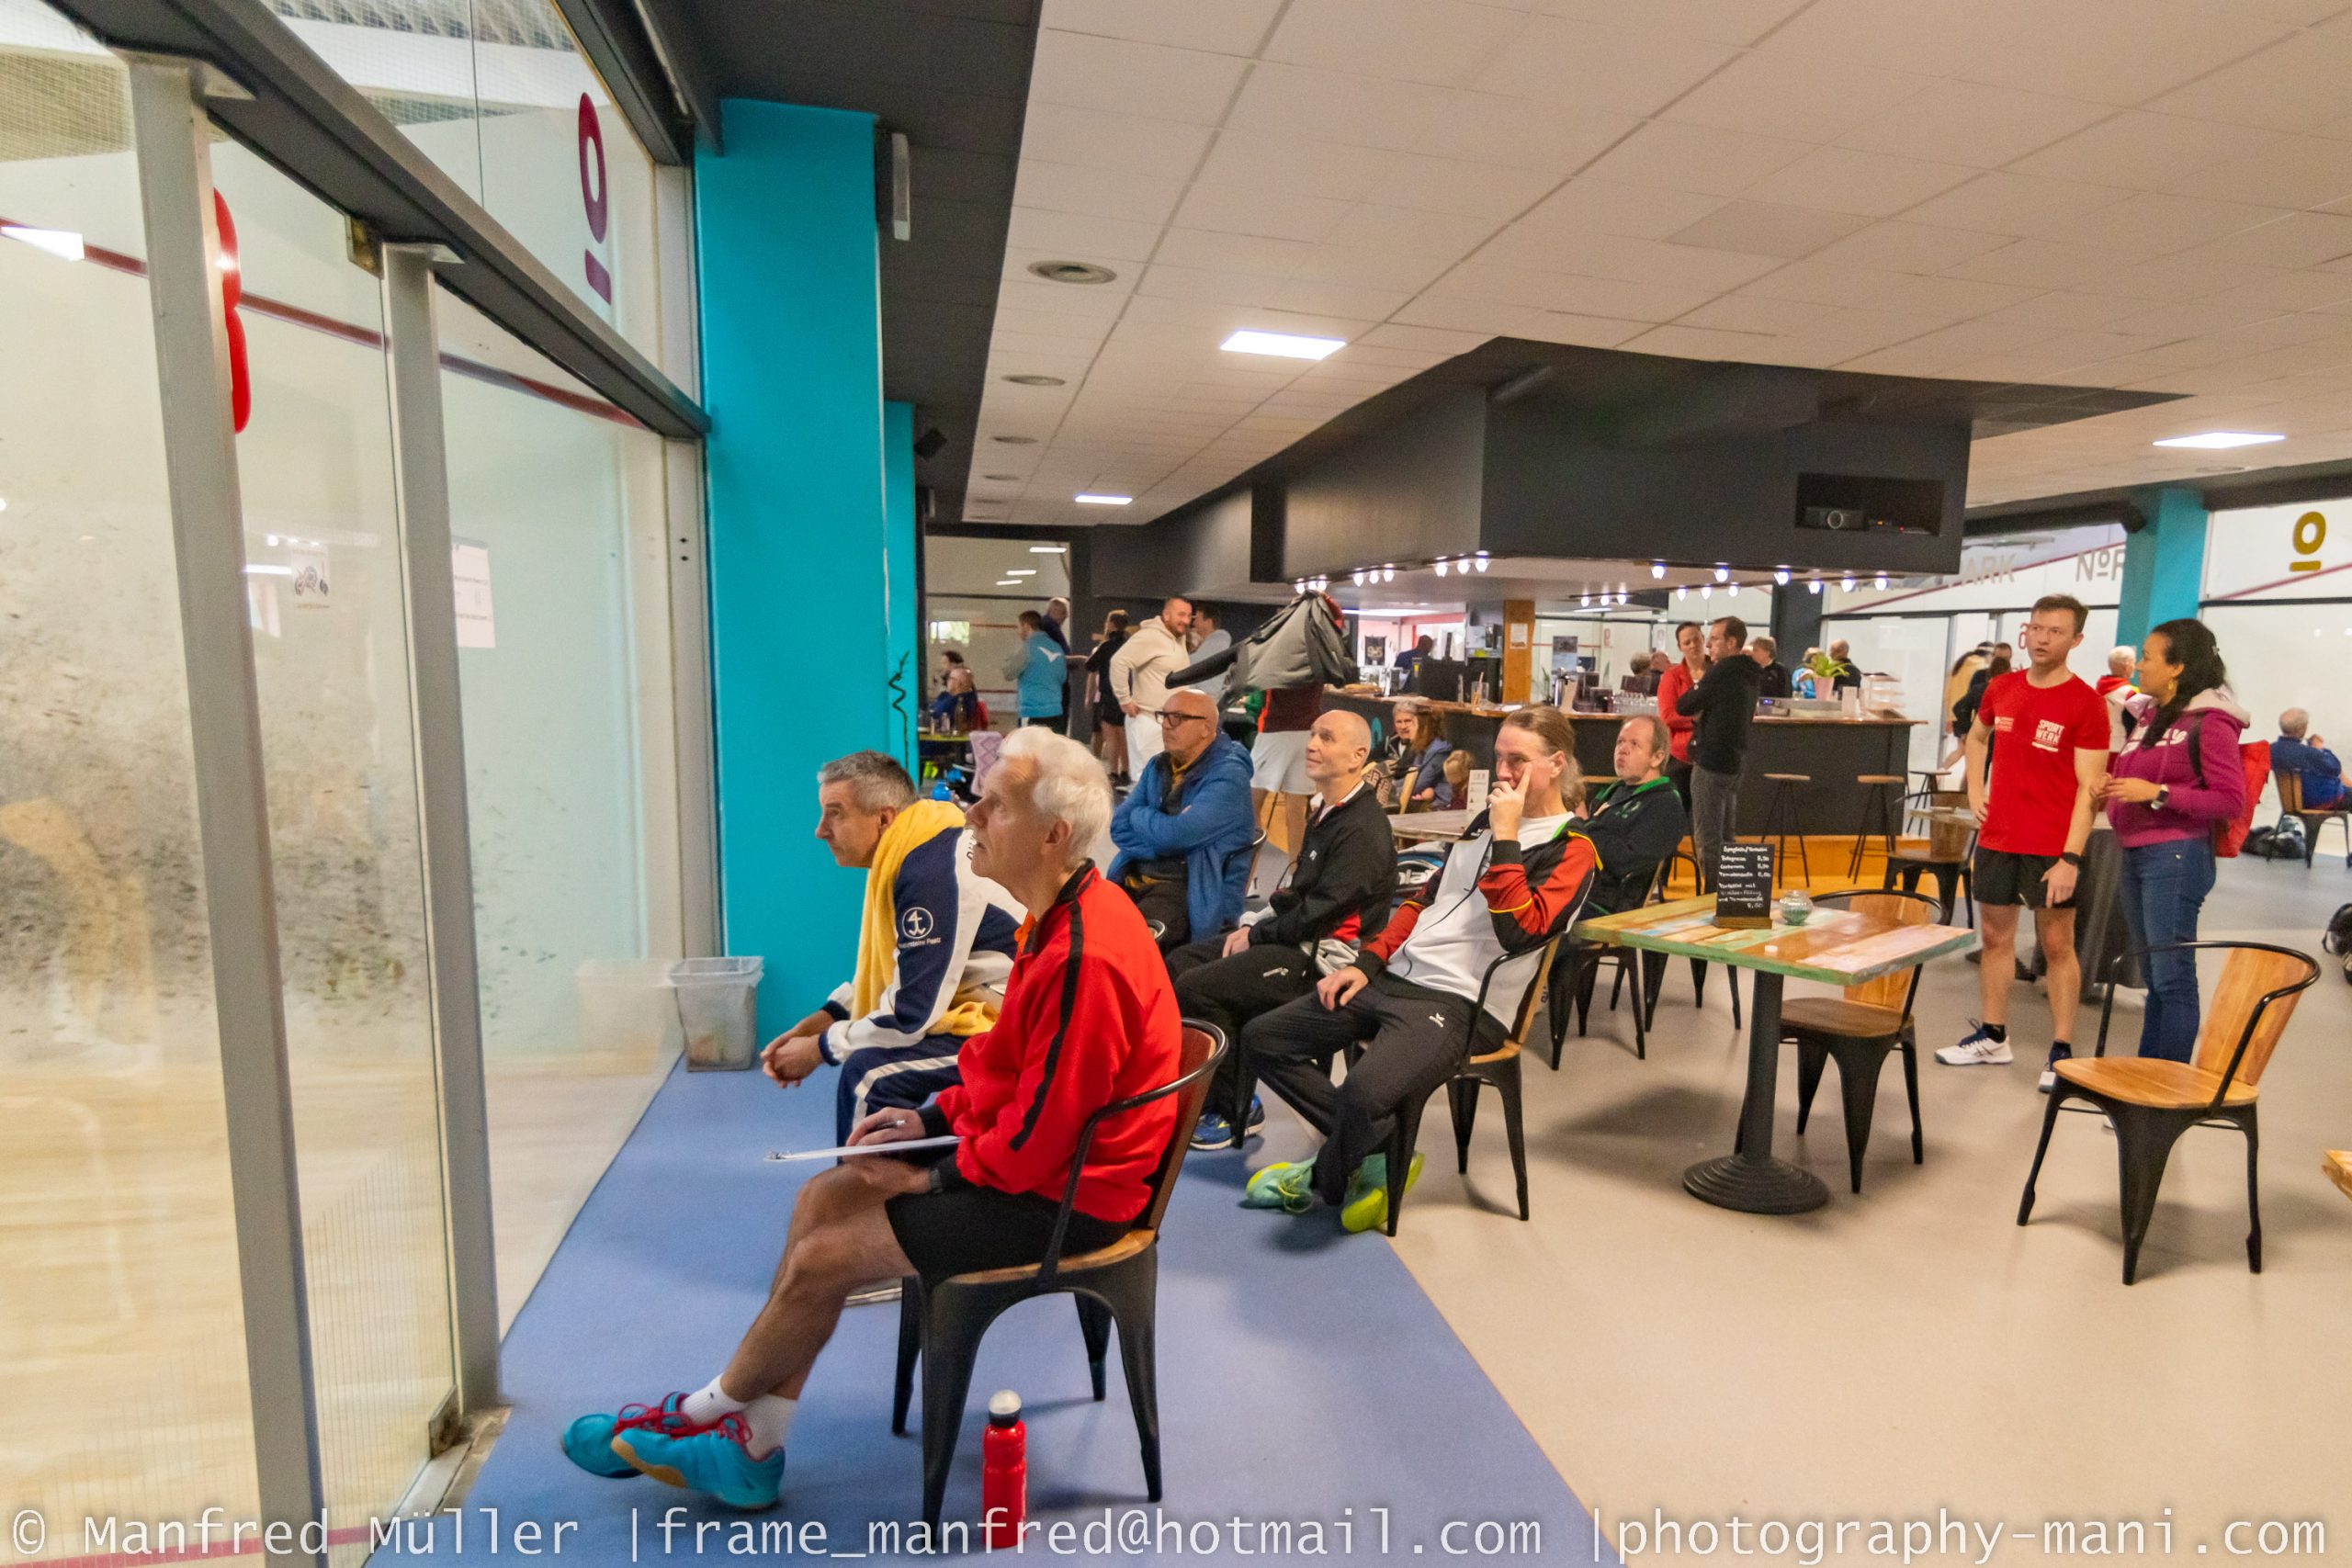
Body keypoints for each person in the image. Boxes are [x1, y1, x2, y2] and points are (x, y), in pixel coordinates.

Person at [562, 730, 1177, 1508]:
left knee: (823, 1257)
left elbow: (1033, 1142)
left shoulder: (1081, 954)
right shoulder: (1054, 917)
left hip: (1071, 1199)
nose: (970, 812)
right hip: (1043, 1166)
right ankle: (754, 1441)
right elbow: (999, 1066)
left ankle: (705, 1413)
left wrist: (932, 1174)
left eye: (994, 805)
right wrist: (926, 1117)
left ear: (1053, 835)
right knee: (820, 1198)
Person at [1239, 707, 1596, 1233]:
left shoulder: (1573, 848)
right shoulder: (1484, 821)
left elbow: (1520, 932)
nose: (1503, 772)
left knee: (1362, 1093)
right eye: (1499, 757)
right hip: (1398, 976)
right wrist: (1367, 963)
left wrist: (1507, 840)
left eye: (1518, 761)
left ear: (1556, 763)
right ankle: (1380, 1150)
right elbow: (1424, 900)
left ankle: (1324, 1175)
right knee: (1262, 1037)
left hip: (1462, 1002)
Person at [757, 752, 1024, 1145]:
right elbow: (904, 970)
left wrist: (819, 1049)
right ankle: (894, 1175)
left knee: (870, 1074)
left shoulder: (932, 872)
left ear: (883, 819)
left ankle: (860, 1183)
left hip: (1022, 1030)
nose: (820, 831)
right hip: (991, 1005)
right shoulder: (920, 846)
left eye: (835, 814)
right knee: (870, 1058)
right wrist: (824, 1019)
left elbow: (911, 1014)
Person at [1168, 710, 1395, 1150]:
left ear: (1357, 756)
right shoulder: (1327, 810)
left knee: (1200, 989)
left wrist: (1256, 935)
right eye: (1312, 734)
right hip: (1298, 938)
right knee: (1182, 961)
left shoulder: (1363, 828)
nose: (1312, 745)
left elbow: (1320, 914)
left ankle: (1233, 1110)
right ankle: (1206, 1091)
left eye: (1326, 738)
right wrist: (1256, 923)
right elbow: (1298, 895)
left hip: (1327, 960)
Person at [1936, 596, 2107, 1089]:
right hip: (1999, 836)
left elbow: (2089, 790)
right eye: (2036, 628)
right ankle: (1993, 1036)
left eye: (2055, 631)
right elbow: (1977, 737)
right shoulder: (2001, 688)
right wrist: (1975, 789)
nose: (2042, 639)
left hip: (2052, 844)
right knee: (1995, 938)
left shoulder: (2086, 703)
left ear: (2076, 640)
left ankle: (2062, 1052)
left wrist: (2070, 857)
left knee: (2056, 945)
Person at [2100, 621, 2249, 1063]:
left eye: (2148, 657)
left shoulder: (2211, 722)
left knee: (2172, 977)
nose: (2139, 666)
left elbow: (2230, 799)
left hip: (2176, 856)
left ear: (2177, 667)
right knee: (2155, 976)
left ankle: (2168, 1082)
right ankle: (2150, 1075)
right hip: (2136, 851)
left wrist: (2158, 793)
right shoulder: (2150, 714)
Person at [1108, 688, 1255, 951]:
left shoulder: (1229, 776)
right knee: (1079, 928)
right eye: (1163, 716)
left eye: (1177, 718)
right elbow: (1119, 825)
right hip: (1132, 877)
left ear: (1206, 728)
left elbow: (1176, 835)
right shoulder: (1159, 765)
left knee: (1123, 946)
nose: (1166, 725)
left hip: (1189, 891)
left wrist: (1141, 816)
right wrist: (1164, 843)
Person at [1676, 616, 1763, 888]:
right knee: (1727, 836)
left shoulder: (1722, 671)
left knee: (1709, 839)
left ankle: (1711, 897)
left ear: (1731, 642)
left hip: (1711, 761)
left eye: (1714, 639)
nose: (1708, 645)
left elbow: (1684, 705)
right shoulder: (1751, 672)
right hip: (1736, 761)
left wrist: (1701, 688)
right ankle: (1730, 897)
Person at [1579, 715, 1688, 914]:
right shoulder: (1614, 790)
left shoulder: (1665, 804)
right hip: (1579, 889)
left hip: (1607, 907)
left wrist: (1588, 826)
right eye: (1620, 742)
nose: (1623, 749)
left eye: (1634, 744)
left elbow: (1624, 862)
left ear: (1657, 758)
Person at [1109, 596, 1193, 770]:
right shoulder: (1150, 636)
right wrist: (1124, 700)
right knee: (1145, 779)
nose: (1186, 620)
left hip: (1168, 724)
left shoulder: (1178, 638)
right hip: (1148, 722)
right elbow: (1119, 662)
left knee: (1165, 779)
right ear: (1166, 615)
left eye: (1189, 616)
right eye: (1181, 615)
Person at [1656, 621, 1705, 805]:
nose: (1693, 645)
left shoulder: (1717, 672)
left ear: (1703, 639)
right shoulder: (1672, 676)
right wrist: (1699, 718)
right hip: (1680, 756)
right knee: (1676, 808)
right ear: (1680, 647)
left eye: (1696, 640)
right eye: (1687, 642)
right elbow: (1668, 716)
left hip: (1711, 756)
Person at [1084, 610, 1131, 783]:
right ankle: (1126, 770)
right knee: (1124, 734)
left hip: (1108, 695)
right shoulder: (1130, 645)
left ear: (1111, 624)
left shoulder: (1106, 646)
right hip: (1128, 695)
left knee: (1110, 735)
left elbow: (1090, 665)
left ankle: (1113, 771)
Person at [1001, 610, 1068, 728]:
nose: (1018, 632)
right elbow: (1062, 677)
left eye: (1019, 627)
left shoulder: (1027, 647)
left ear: (1026, 626)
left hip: (1032, 711)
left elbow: (1008, 673)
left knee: (1030, 740)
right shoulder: (1057, 647)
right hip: (1055, 711)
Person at [2272, 707, 2346, 809]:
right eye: (2305, 725)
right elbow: (2335, 768)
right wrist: (2320, 748)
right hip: (2320, 800)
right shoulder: (2307, 753)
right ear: (2299, 728)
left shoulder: (2272, 749)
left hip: (2292, 802)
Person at [1396, 701, 1454, 808]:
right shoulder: (1421, 746)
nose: (1408, 728)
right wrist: (1390, 785)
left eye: (1412, 724)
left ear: (1423, 729)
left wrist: (1391, 793)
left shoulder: (1440, 751)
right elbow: (1410, 778)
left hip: (1439, 805)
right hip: (1422, 797)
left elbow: (1419, 785)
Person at [1951, 643, 2012, 737]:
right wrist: (1968, 730)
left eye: (2005, 658)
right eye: (1999, 658)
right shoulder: (1979, 676)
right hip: (1984, 731)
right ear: (1993, 656)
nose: (2001, 662)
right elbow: (1965, 705)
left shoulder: (2015, 683)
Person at [2098, 646, 2140, 756]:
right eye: (2134, 663)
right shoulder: (2131, 694)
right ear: (2127, 666)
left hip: (2098, 748)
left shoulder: (2096, 690)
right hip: (2121, 749)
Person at [1186, 606, 1231, 698]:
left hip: (1205, 698)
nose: (1194, 623)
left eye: (1197, 619)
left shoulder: (1219, 641)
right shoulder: (1209, 645)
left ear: (1208, 622)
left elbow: (1190, 664)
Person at [930, 651, 978, 732]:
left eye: (944, 663)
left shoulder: (961, 698)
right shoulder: (947, 694)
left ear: (953, 665)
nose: (941, 667)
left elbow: (938, 712)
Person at [1748, 634, 1791, 700]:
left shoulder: (1780, 671)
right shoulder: (1750, 669)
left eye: (1755, 650)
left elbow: (1786, 696)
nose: (1752, 653)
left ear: (1767, 652)